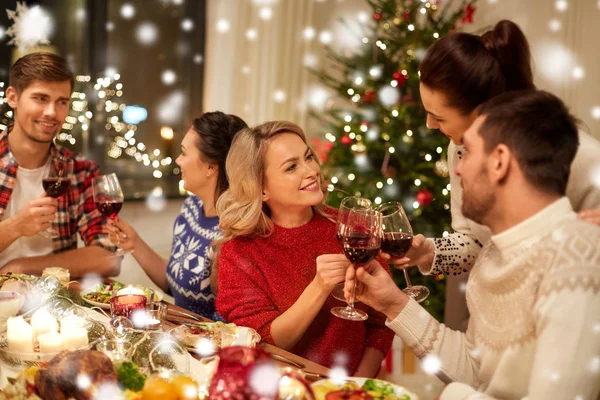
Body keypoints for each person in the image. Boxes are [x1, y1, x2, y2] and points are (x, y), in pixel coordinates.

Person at [346, 90, 600, 399]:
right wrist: (393, 303)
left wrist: (454, 396)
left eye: (467, 152)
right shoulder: (494, 254)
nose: (457, 169)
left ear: (500, 162)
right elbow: (476, 370)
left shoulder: (578, 253)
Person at [398, 20, 600, 330]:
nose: (428, 125)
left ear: (483, 114)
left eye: (438, 116)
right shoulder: (460, 149)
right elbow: (475, 243)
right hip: (498, 318)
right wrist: (429, 253)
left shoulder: (581, 157)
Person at [215, 121, 394, 377]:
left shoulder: (351, 229)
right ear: (261, 188)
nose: (311, 170)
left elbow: (381, 322)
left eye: (308, 157)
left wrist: (357, 385)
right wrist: (319, 286)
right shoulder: (240, 252)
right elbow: (261, 341)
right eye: (291, 167)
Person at [109, 112, 247, 320]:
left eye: (184, 153)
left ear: (211, 167)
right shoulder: (190, 208)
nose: (178, 160)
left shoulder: (235, 231)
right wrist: (134, 243)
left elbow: (227, 325)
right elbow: (175, 285)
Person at [0, 52, 120, 277]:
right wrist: (16, 227)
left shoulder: (80, 171)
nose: (51, 113)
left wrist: (20, 266)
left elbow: (108, 258)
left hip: (54, 305)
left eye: (61, 102)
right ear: (13, 97)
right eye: (41, 98)